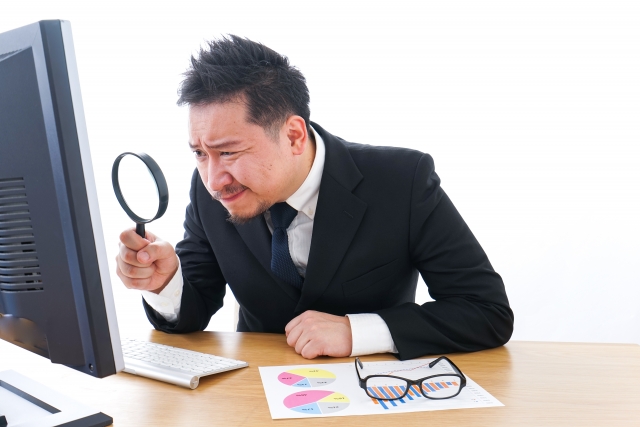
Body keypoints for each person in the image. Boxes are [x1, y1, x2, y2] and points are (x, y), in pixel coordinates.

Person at [115, 35, 513, 361]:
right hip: (253, 398)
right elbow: (193, 309)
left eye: (229, 152)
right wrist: (165, 282)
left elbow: (486, 311)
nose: (214, 181)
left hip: (374, 394)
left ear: (293, 135)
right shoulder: (211, 192)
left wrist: (358, 332)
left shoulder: (402, 181)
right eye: (200, 154)